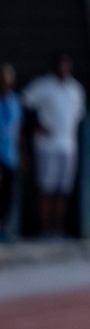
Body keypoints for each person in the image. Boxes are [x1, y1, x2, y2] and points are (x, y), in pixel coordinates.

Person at [23, 53, 87, 237]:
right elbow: (25, 103)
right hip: (46, 145)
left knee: (62, 190)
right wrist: (36, 126)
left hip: (68, 146)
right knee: (46, 189)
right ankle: (45, 229)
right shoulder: (42, 86)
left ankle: (57, 230)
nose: (63, 70)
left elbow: (78, 116)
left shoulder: (76, 89)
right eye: (60, 66)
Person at [0, 64, 20, 239]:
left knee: (7, 193)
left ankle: (4, 227)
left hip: (10, 153)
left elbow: (17, 129)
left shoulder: (14, 101)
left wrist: (23, 153)